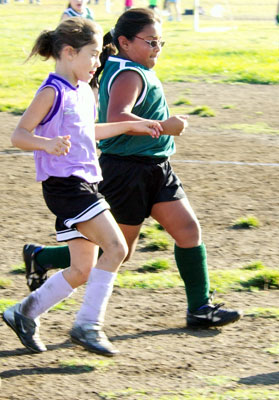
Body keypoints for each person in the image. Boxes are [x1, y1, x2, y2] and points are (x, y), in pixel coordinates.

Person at [22, 8, 242, 330]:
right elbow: (118, 117)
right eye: (150, 41)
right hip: (127, 173)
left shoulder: (130, 68)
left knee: (187, 231)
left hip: (156, 167)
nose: (157, 48)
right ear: (124, 42)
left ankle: (200, 308)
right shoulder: (128, 74)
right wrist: (163, 126)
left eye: (160, 42)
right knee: (115, 250)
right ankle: (44, 261)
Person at [2, 18, 162, 356]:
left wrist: (136, 126)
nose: (97, 62)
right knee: (116, 249)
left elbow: (89, 131)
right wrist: (46, 144)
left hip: (85, 184)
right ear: (69, 52)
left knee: (81, 269)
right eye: (93, 54)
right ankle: (88, 325)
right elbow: (19, 135)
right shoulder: (52, 91)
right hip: (66, 187)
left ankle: (23, 313)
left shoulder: (84, 91)